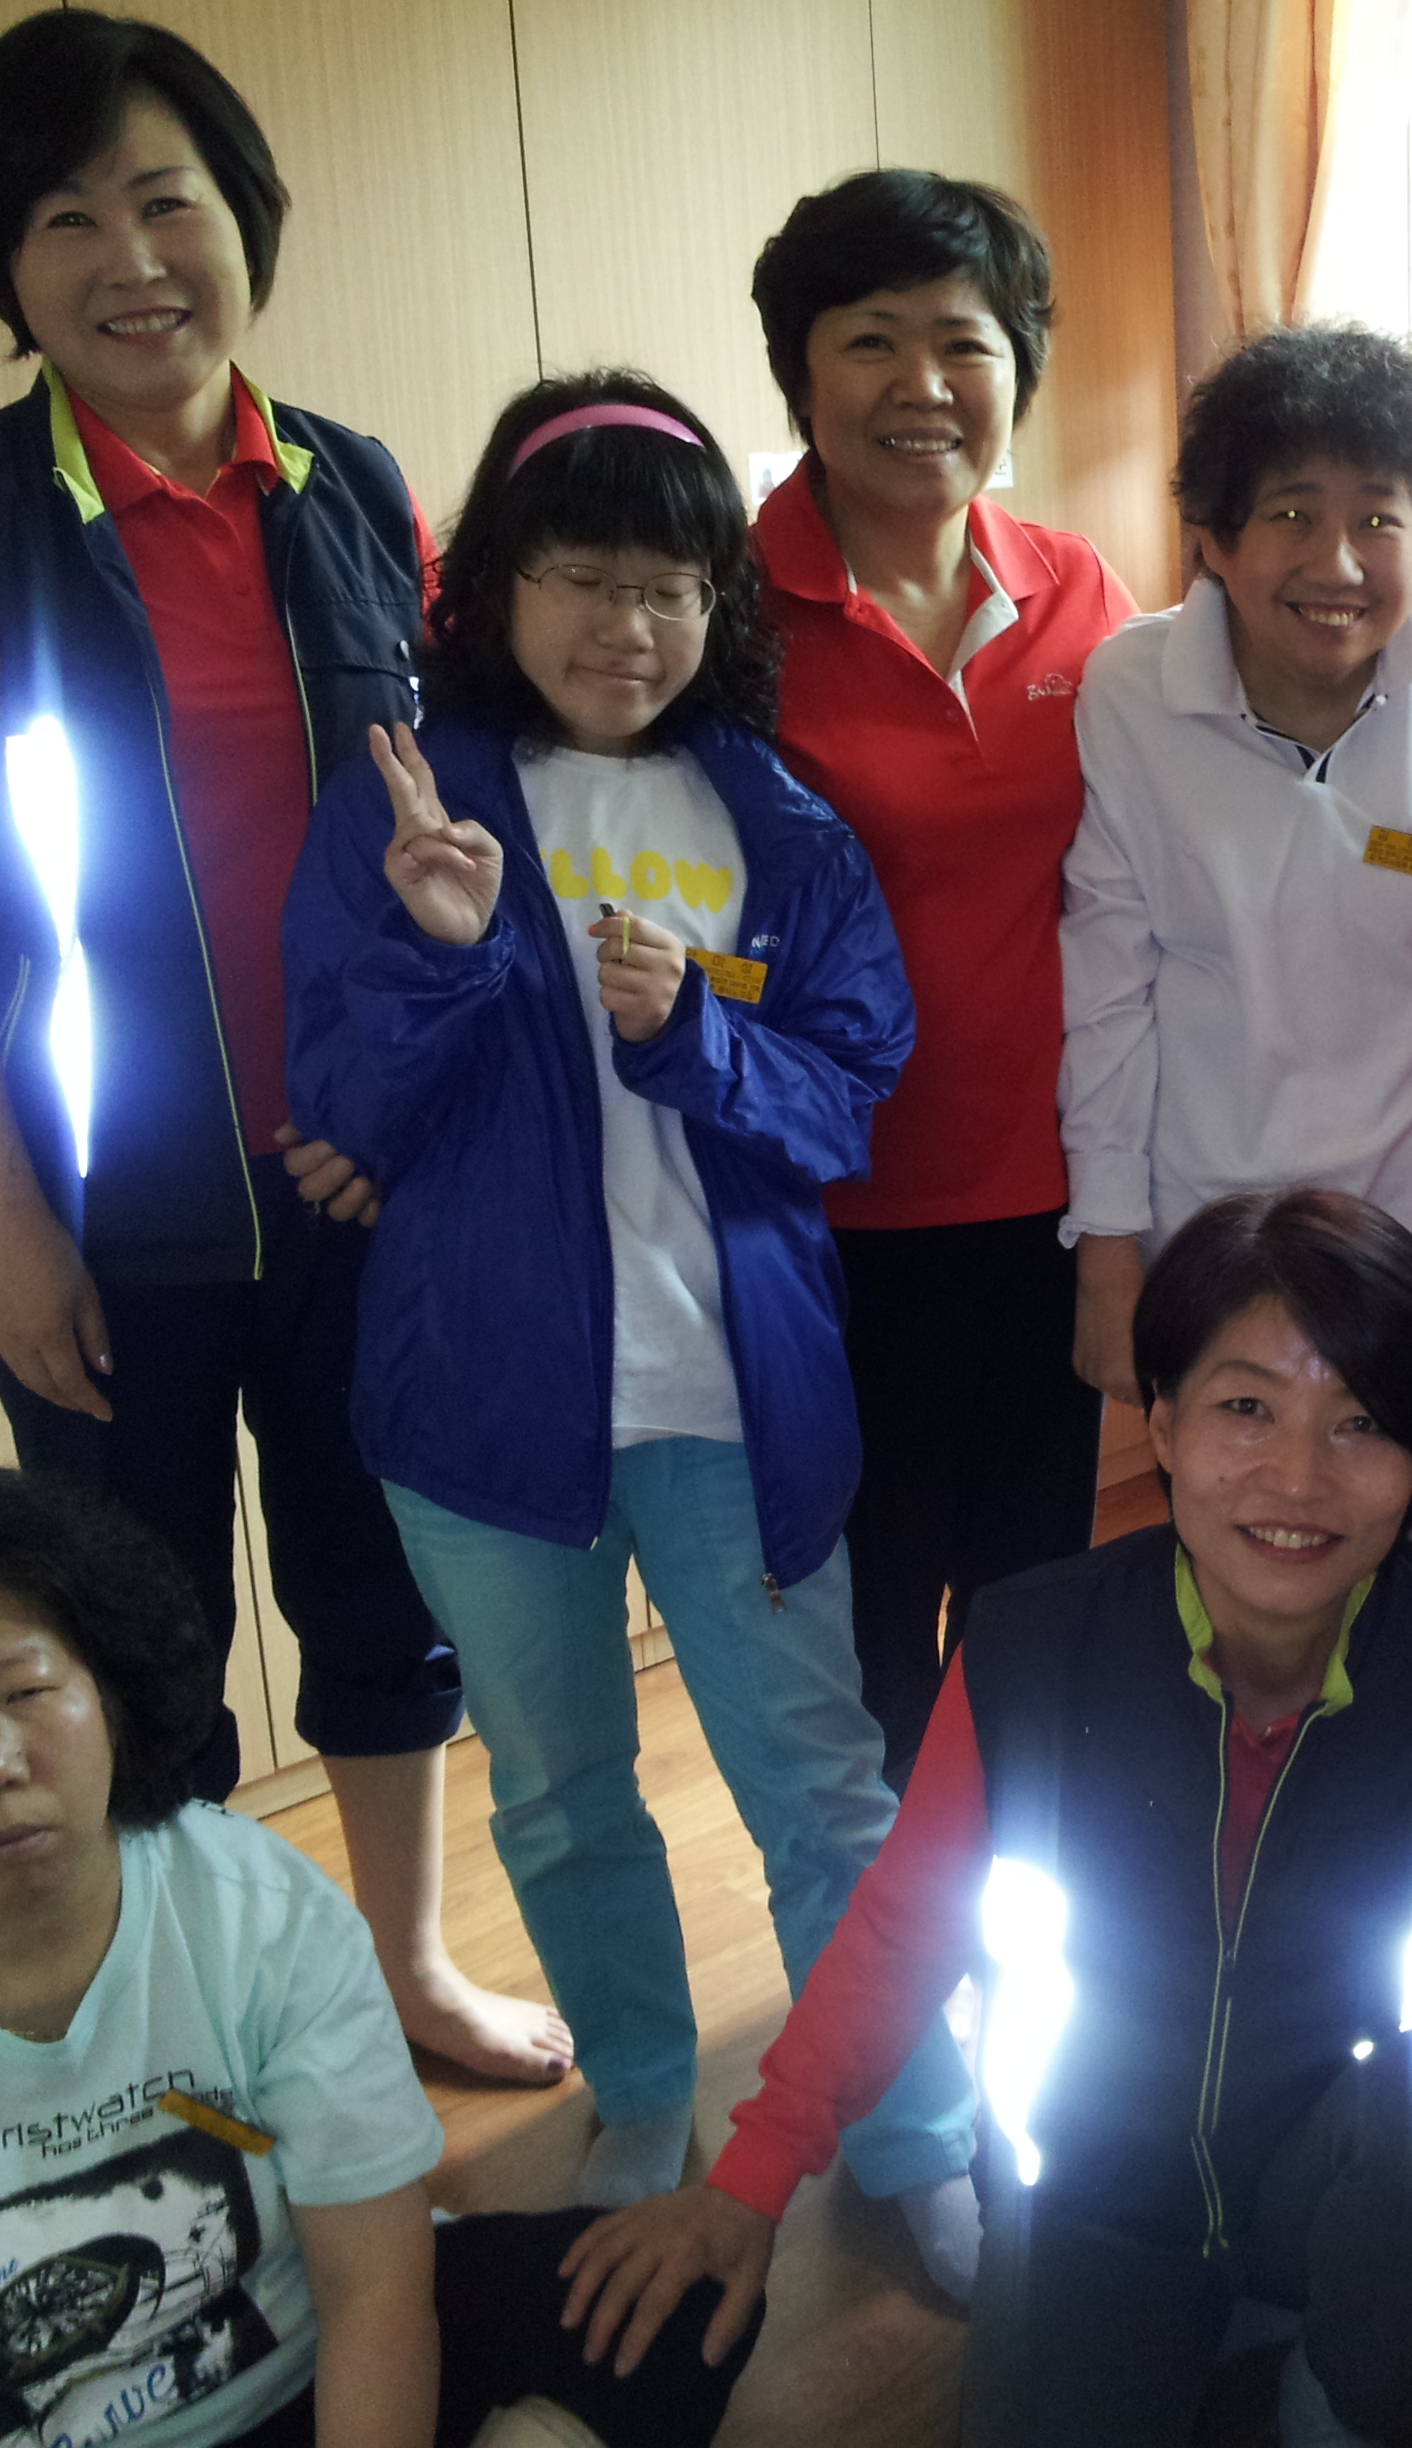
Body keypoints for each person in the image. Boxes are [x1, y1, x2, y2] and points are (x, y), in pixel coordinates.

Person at [552, 1190, 1412, 2448]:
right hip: (1096, 2190)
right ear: (1163, 1423)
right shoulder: (1031, 1648)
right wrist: (751, 2181)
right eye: (1246, 1408)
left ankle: (1335, 2388)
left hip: (1355, 2170)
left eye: (1361, 1424)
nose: (1298, 1477)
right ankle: (1183, 2313)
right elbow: (904, 1929)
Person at [0, 6, 565, 2084]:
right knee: (128, 1640)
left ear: (244, 219)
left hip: (357, 1177)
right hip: (100, 1203)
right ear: (3, 266)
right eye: (66, 219)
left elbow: (455, 826)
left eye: (168, 201)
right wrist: (11, 1228)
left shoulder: (358, 488)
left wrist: (408, 1109)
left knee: (383, 1594)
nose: (132, 259)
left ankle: (403, 1967)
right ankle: (198, 2018)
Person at [280, 372, 980, 2258]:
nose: (627, 625)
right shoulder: (409, 804)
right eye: (581, 578)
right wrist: (441, 955)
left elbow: (850, 1092)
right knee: (564, 1794)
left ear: (717, 603)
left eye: (669, 586)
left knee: (822, 1791)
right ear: (494, 586)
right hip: (483, 1409)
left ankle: (914, 2127)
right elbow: (341, 1111)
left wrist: (694, 1036)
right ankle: (645, 2091)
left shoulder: (776, 814)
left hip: (740, 1396)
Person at [0, 1464, 758, 2448]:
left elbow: (374, 2290)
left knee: (686, 2281)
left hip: (307, 2385)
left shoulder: (257, 1911)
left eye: (26, 1693)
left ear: (108, 1700)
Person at [1060, 323, 1412, 1593]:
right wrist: (1109, 1253)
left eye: (1379, 517)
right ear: (1214, 536)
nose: (1339, 563)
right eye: (1292, 515)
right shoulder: (1130, 694)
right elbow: (1109, 996)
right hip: (1224, 1261)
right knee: (1254, 1621)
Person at [747, 169, 1141, 1786]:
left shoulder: (1076, 588)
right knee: (857, 1627)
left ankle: (1002, 1888)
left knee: (1027, 1604)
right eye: (870, 340)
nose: (922, 384)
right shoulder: (722, 611)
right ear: (800, 371)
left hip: (1049, 1201)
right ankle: (880, 1911)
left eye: (964, 342)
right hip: (822, 1213)